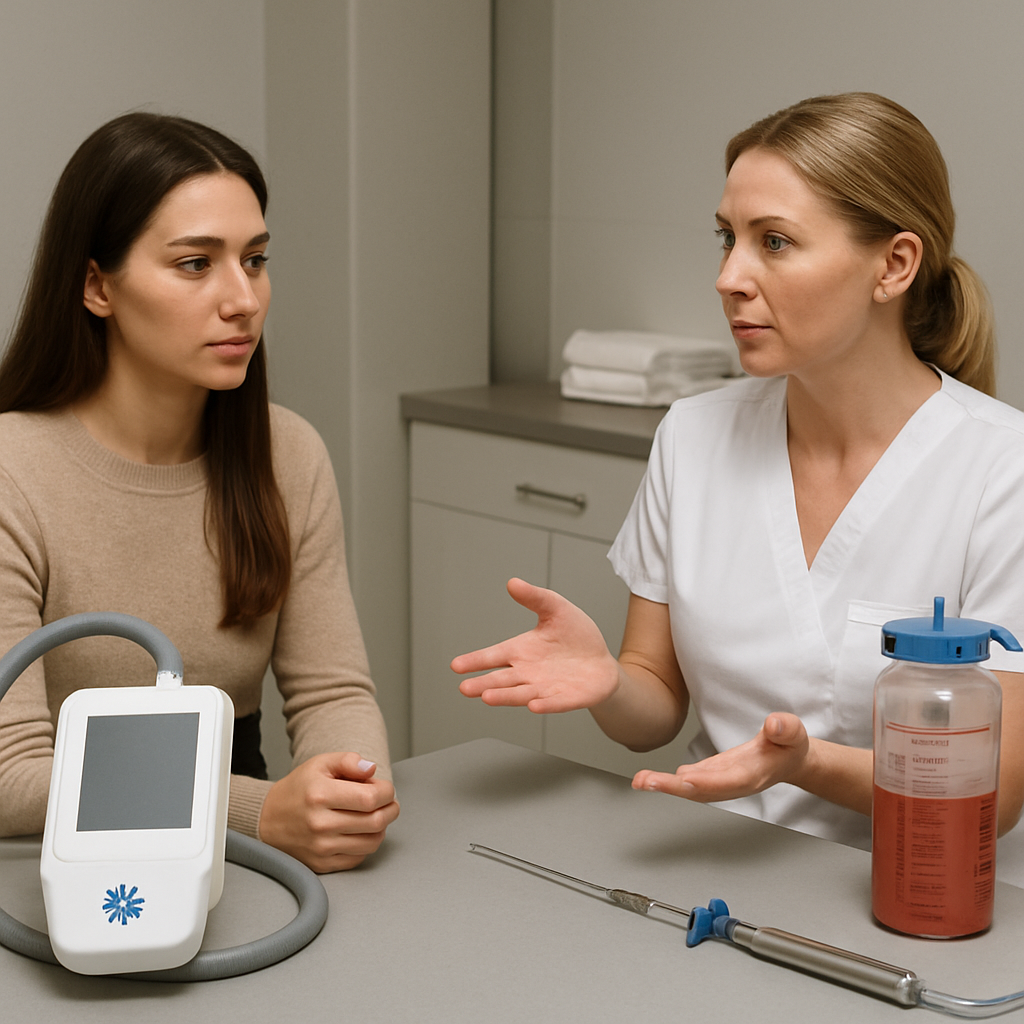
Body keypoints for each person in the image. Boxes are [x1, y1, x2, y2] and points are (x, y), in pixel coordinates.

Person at [452, 93, 1024, 872]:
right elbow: (653, 705)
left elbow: (995, 788)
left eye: (775, 242)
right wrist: (609, 682)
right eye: (727, 239)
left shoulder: (1001, 469)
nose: (729, 277)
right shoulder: (692, 436)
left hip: (918, 889)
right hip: (709, 871)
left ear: (894, 265)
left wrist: (803, 763)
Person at [0, 112, 399, 872]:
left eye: (255, 259)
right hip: (45, 855)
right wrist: (254, 807)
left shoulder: (289, 455)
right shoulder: (10, 473)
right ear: (96, 286)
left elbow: (332, 694)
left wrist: (349, 791)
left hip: (228, 851)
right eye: (195, 264)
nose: (243, 299)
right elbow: (11, 776)